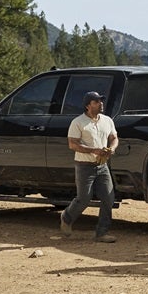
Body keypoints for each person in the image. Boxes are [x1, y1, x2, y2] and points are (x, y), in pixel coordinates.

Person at [59, 91, 118, 242]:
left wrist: (111, 148)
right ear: (88, 105)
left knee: (108, 198)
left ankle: (102, 233)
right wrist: (93, 150)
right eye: (96, 102)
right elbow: (72, 144)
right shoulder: (78, 122)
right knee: (84, 198)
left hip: (102, 166)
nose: (101, 104)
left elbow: (114, 138)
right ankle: (67, 217)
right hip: (84, 166)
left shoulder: (107, 120)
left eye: (101, 101)